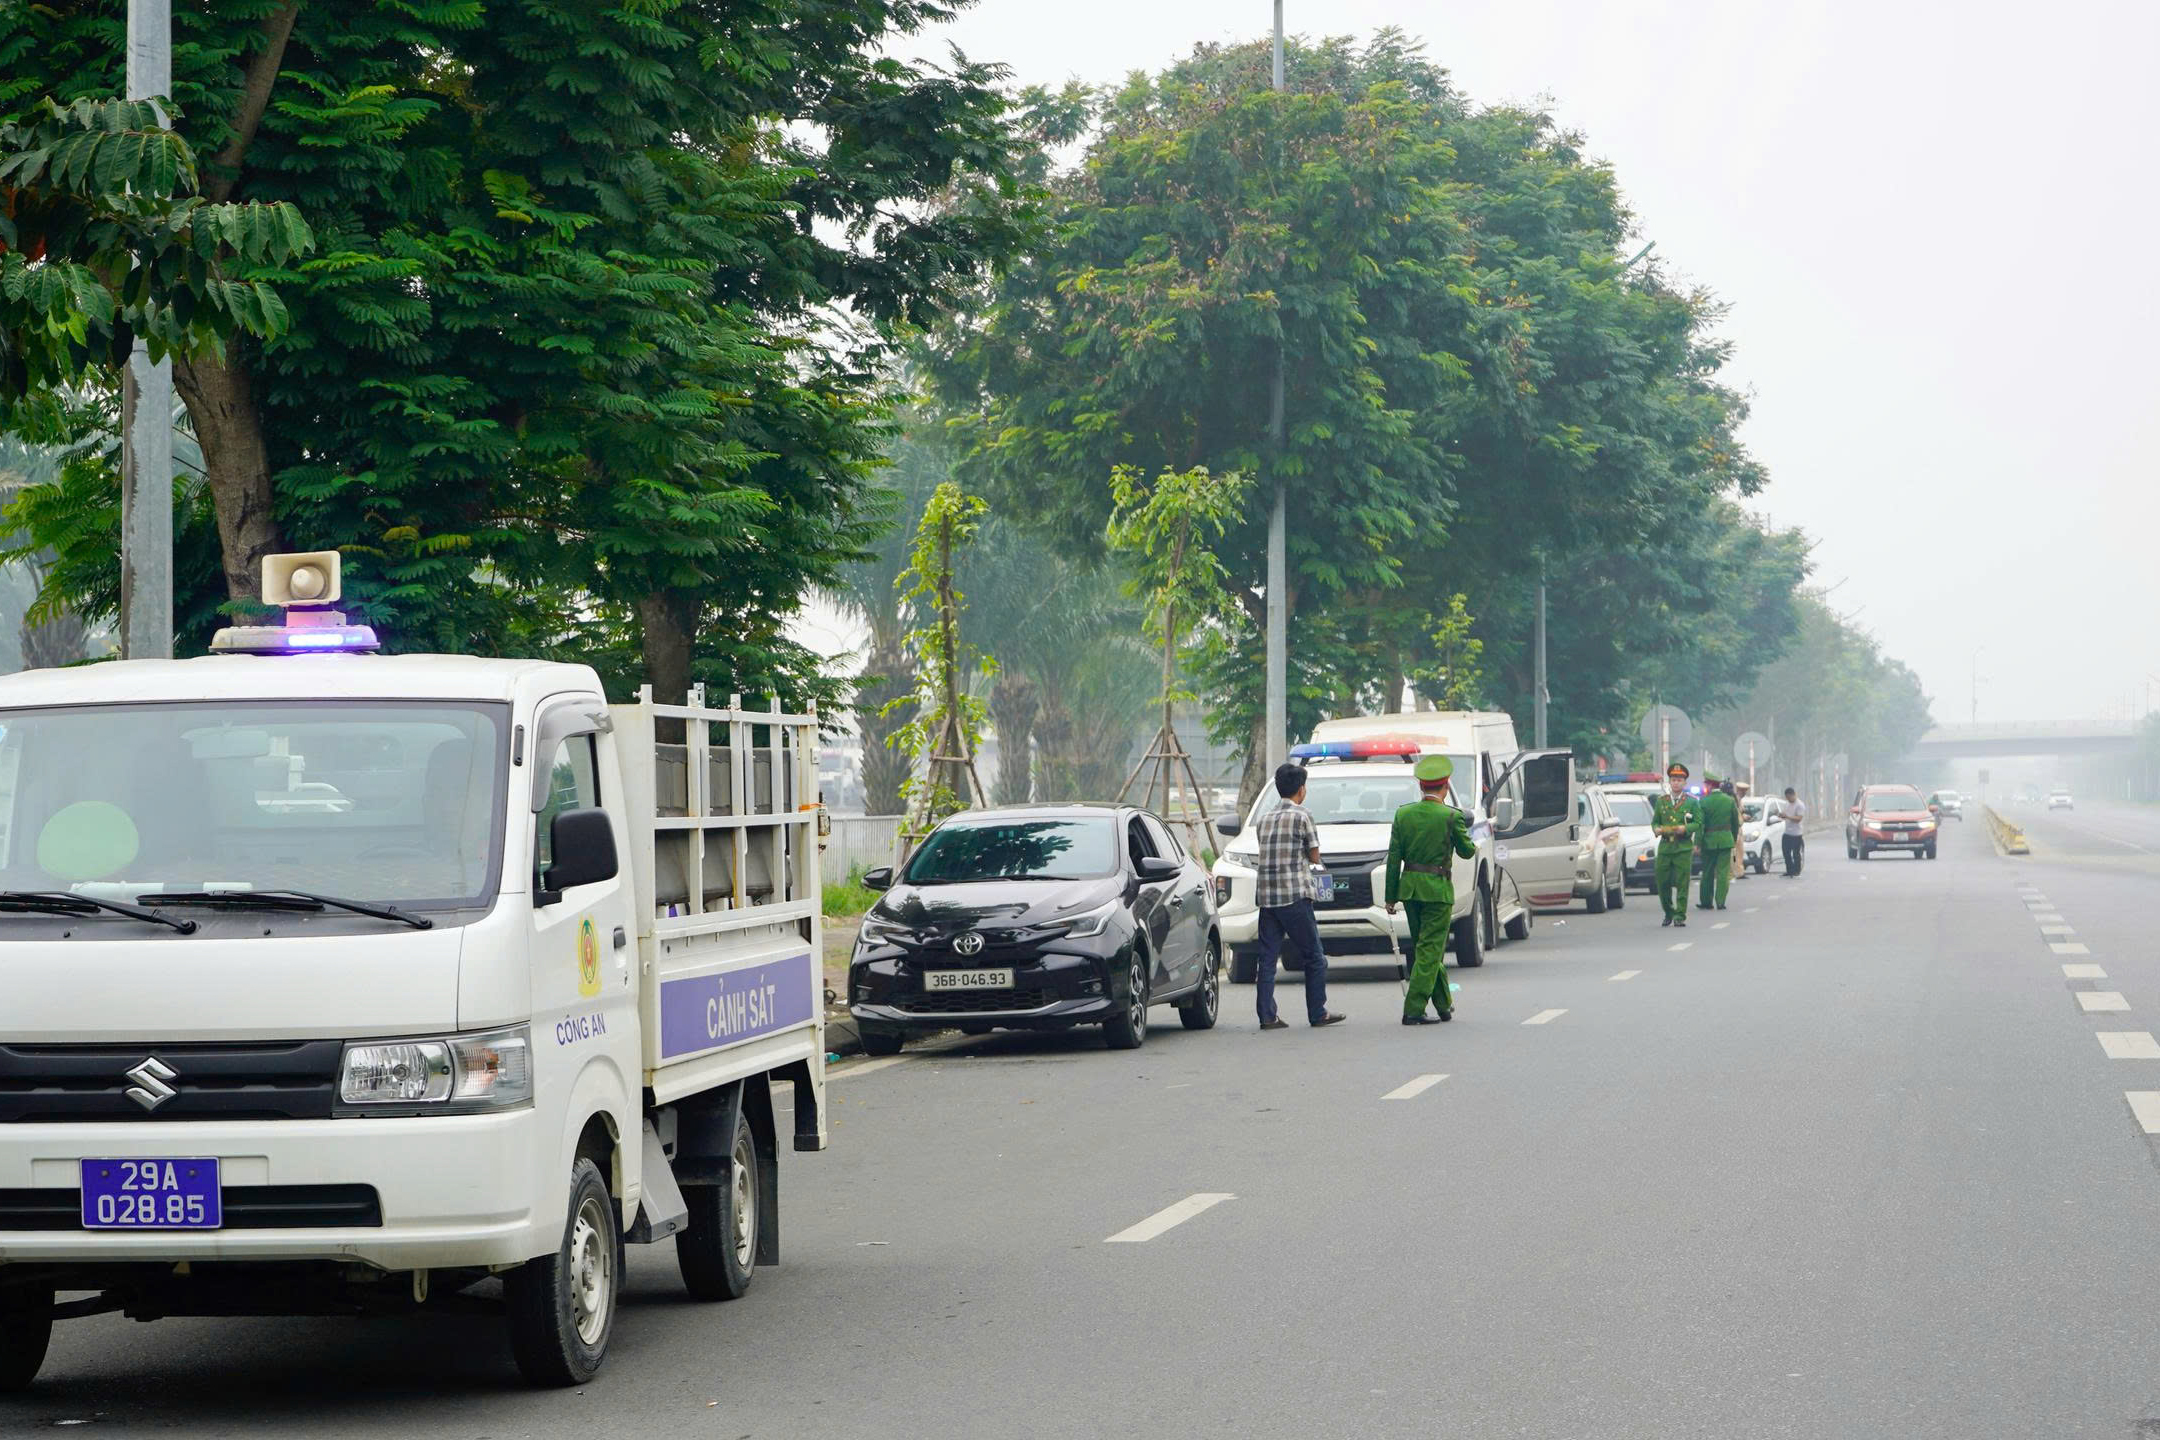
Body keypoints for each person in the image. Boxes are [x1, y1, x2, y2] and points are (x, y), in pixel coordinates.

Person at [1251, 761, 1346, 1031]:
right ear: (1301, 790)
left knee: (1267, 958)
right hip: (1295, 895)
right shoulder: (1302, 816)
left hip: (1268, 897)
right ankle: (1318, 1012)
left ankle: (1267, 1016)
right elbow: (1314, 855)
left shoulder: (1264, 819)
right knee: (1314, 957)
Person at [1385, 754, 1479, 1026]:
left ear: (1421, 786)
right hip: (1437, 892)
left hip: (1411, 890)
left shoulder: (1403, 814)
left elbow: (1393, 859)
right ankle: (1413, 1008)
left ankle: (1444, 1004)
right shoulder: (1451, 816)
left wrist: (1390, 897)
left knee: (1426, 948)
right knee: (1429, 951)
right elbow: (1466, 851)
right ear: (1446, 786)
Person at [1652, 762, 1700, 927]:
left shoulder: (1692, 802)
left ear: (1685, 783)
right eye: (1673, 779)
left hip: (1683, 848)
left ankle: (1679, 915)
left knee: (1682, 883)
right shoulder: (1661, 802)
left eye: (1679, 780)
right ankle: (1668, 911)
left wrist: (1685, 828)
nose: (1676, 783)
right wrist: (1656, 829)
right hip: (1665, 847)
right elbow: (1655, 822)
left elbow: (1698, 824)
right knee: (1662, 882)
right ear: (1669, 782)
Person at [1696, 775, 1740, 911]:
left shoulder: (1703, 802)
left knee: (1707, 872)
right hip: (1726, 840)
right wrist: (1732, 838)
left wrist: (1697, 843)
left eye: (1706, 785)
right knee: (1722, 872)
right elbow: (1735, 823)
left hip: (1708, 841)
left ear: (1709, 786)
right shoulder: (1729, 801)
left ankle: (1706, 902)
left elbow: (1700, 825)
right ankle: (1720, 902)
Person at [1779, 786, 1807, 875]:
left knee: (1796, 853)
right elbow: (1785, 814)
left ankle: (1796, 870)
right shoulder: (1787, 804)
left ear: (1793, 795)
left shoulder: (1800, 805)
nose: (1788, 799)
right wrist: (1782, 815)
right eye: (1786, 798)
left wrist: (1787, 817)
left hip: (1796, 834)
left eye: (1789, 797)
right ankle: (1789, 870)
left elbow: (1799, 818)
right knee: (1786, 852)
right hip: (1787, 833)